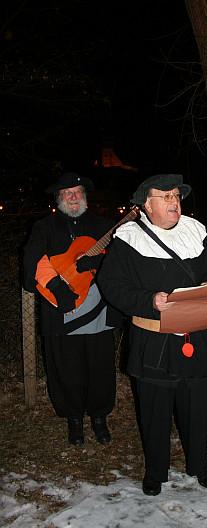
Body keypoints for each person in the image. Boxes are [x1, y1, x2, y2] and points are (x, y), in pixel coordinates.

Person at [97, 173, 207, 496]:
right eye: (165, 197)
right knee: (154, 411)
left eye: (176, 197)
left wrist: (203, 291)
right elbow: (112, 286)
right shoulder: (127, 240)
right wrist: (149, 300)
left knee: (199, 407)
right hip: (154, 340)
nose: (174, 202)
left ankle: (199, 463)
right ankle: (156, 470)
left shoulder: (195, 232)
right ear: (146, 205)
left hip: (197, 335)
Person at [23, 172, 124, 446]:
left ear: (85, 197)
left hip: (98, 311)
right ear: (59, 199)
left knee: (100, 367)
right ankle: (74, 421)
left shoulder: (103, 225)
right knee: (67, 368)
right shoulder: (45, 227)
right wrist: (57, 288)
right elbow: (33, 261)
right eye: (67, 193)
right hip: (62, 310)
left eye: (78, 191)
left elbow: (120, 261)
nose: (73, 197)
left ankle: (100, 419)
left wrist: (97, 264)